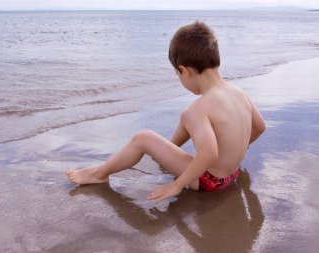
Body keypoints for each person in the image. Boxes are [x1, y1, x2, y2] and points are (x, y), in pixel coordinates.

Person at [66, 21, 265, 203]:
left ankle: (99, 174)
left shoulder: (199, 108)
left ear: (184, 70)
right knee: (188, 118)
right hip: (231, 175)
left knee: (144, 137)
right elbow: (260, 127)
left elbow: (209, 153)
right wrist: (237, 148)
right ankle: (166, 151)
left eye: (178, 75)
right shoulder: (239, 93)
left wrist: (177, 185)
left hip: (209, 181)